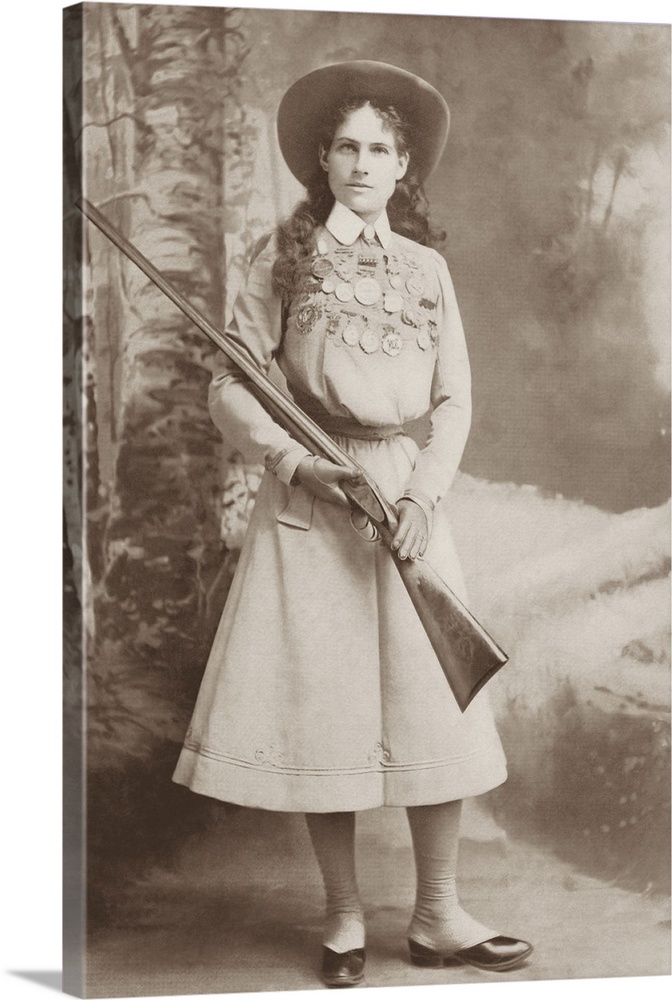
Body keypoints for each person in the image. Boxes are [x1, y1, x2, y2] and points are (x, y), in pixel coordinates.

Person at [173, 60, 532, 988]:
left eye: (381, 148)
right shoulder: (278, 260)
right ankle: (340, 918)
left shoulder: (428, 270)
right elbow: (229, 386)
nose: (363, 163)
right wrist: (299, 464)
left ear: (403, 163)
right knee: (321, 710)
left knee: (433, 701)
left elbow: (453, 400)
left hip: (407, 497)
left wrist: (420, 497)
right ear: (322, 161)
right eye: (346, 146)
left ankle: (438, 914)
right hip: (310, 492)